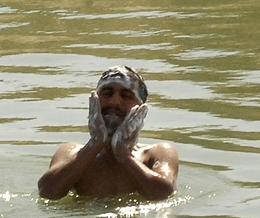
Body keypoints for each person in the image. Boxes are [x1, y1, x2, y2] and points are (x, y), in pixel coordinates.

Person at [37, 65, 178, 201]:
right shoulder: (72, 152)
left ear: (141, 109)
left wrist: (125, 156)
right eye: (107, 93)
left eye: (126, 95)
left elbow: (163, 193)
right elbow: (47, 193)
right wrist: (95, 144)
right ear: (94, 101)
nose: (115, 101)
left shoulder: (156, 153)